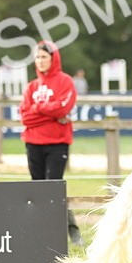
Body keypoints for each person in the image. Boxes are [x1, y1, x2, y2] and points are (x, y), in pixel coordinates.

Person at [19, 41, 83, 246]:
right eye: (37, 57)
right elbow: (25, 117)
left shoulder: (65, 82)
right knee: (38, 190)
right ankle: (40, 233)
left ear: (53, 58)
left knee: (54, 187)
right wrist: (49, 114)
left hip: (57, 143)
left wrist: (39, 109)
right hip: (33, 143)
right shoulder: (31, 87)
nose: (40, 61)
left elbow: (63, 109)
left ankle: (71, 232)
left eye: (44, 57)